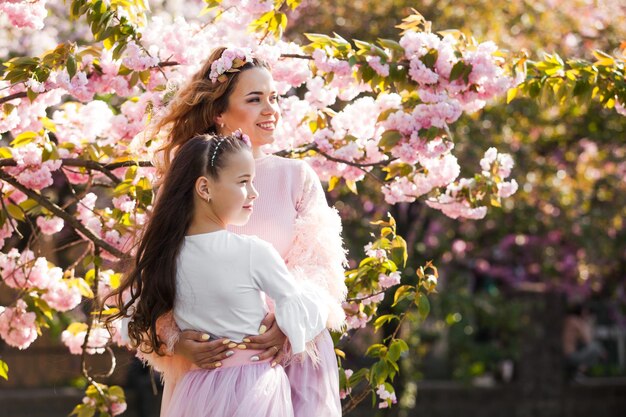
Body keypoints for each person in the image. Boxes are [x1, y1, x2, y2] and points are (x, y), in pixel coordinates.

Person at [144, 47, 346, 416]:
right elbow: (160, 272)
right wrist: (175, 342)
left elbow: (323, 273)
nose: (271, 109)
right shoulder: (187, 181)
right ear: (219, 113)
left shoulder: (296, 177)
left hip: (293, 357)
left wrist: (287, 324)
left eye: (274, 97)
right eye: (255, 99)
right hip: (215, 370)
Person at [110, 133, 329, 417]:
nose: (254, 193)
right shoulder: (253, 252)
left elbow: (133, 322)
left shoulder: (165, 255)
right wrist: (284, 329)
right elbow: (301, 309)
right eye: (243, 182)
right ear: (205, 188)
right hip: (255, 387)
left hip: (196, 390)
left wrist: (176, 345)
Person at [562, 303, 606, 380]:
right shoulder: (574, 320)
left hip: (568, 354)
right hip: (570, 356)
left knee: (595, 353)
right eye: (585, 312)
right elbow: (588, 340)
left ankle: (578, 372)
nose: (586, 314)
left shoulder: (569, 319)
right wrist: (587, 324)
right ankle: (579, 372)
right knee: (596, 347)